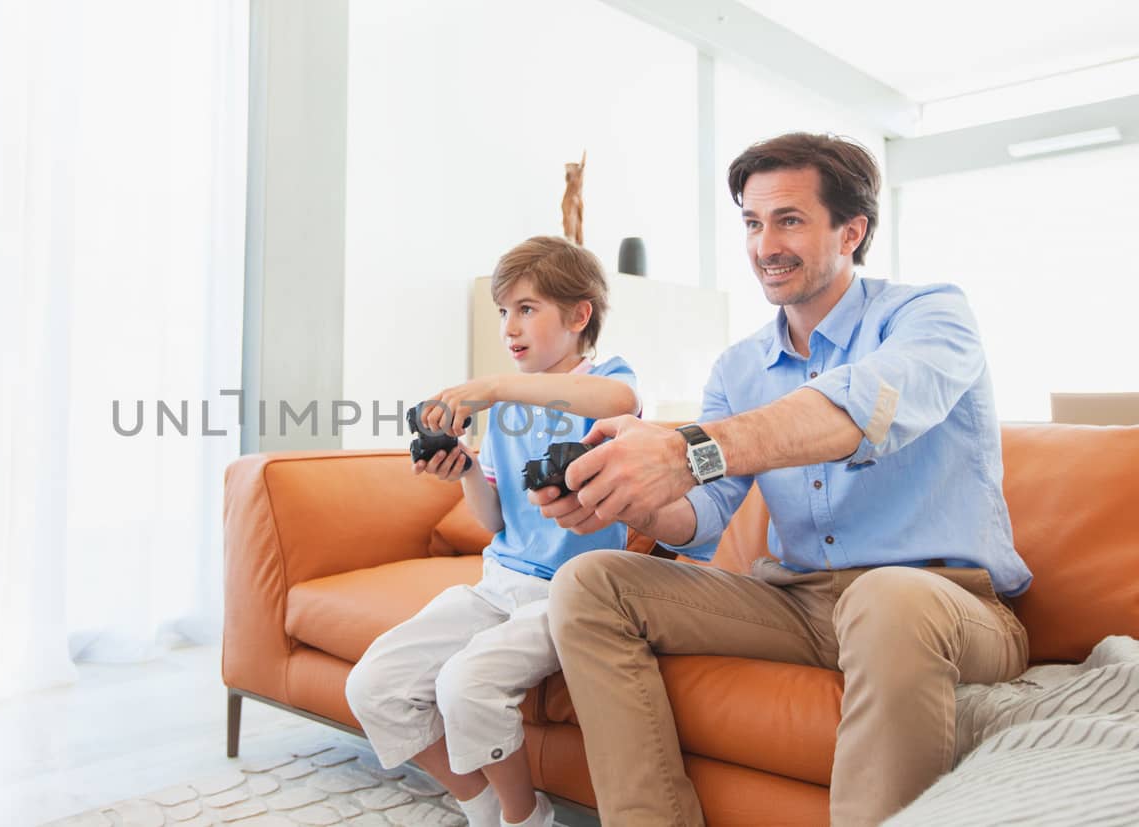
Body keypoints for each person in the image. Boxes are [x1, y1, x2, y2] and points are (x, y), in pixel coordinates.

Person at [530, 132, 1033, 826]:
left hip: (948, 604)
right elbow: (702, 515)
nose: (766, 244)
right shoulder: (740, 367)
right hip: (797, 603)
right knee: (589, 583)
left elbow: (866, 407)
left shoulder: (928, 316)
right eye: (752, 222)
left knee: (886, 598)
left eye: (789, 220)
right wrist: (630, 497)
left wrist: (685, 451)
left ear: (851, 230)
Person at [345, 236, 641, 827]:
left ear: (580, 315)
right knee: (373, 685)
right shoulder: (505, 411)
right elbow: (493, 522)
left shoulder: (604, 379)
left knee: (466, 685)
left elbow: (620, 399)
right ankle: (480, 803)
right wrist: (462, 473)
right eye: (503, 311)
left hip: (572, 595)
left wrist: (496, 386)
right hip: (498, 583)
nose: (509, 326)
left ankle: (520, 817)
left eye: (526, 309)